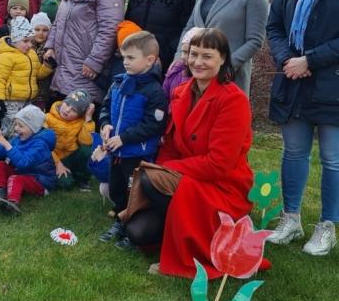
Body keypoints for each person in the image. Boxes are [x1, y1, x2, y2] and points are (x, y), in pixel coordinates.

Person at [122, 29, 259, 279]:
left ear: (222, 59)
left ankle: (193, 243)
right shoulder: (181, 92)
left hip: (221, 185)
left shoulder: (234, 100)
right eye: (193, 54)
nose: (197, 62)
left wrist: (166, 171)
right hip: (187, 175)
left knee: (150, 179)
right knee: (138, 233)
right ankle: (179, 230)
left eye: (207, 56)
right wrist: (163, 168)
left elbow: (219, 164)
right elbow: (169, 145)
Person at [266, 0, 339, 256]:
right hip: (294, 81)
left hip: (332, 84)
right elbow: (274, 26)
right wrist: (287, 60)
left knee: (333, 159)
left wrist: (310, 60)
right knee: (293, 152)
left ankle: (327, 226)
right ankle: (291, 219)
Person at [98, 31, 167, 251]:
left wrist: (124, 138)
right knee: (116, 188)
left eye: (131, 57)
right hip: (116, 153)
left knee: (134, 193)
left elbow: (153, 124)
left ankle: (131, 226)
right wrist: (105, 124)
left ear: (149, 60)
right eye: (123, 57)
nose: (125, 62)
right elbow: (105, 107)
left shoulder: (154, 91)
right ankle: (120, 220)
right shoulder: (118, 83)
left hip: (137, 154)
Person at [44, 0, 124, 105]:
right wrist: (50, 46)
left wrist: (95, 61)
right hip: (63, 66)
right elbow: (59, 21)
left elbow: (110, 29)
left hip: (86, 68)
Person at [0, 104, 56, 216]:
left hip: (40, 180)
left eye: (21, 126)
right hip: (23, 173)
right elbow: (3, 150)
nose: (16, 128)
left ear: (34, 128)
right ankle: (0, 192)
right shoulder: (19, 138)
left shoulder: (40, 144)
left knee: (16, 179)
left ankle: (12, 203)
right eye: (16, 124)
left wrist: (7, 145)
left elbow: (23, 162)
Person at [0, 16, 53, 135]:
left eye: (31, 41)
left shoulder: (32, 54)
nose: (29, 44)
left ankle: (19, 146)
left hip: (28, 100)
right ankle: (5, 146)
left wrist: (48, 66)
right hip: (11, 102)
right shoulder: (5, 57)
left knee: (24, 129)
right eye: (25, 41)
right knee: (11, 129)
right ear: (15, 40)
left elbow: (37, 74)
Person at [44, 89, 96, 192]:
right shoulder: (47, 118)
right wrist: (58, 164)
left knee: (86, 150)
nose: (67, 110)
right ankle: (65, 176)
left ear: (79, 114)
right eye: (67, 104)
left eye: (74, 110)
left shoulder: (80, 121)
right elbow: (43, 145)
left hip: (70, 156)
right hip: (52, 158)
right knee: (66, 184)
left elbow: (87, 142)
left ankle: (82, 179)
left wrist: (88, 118)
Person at [163, 27, 203, 101]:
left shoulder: (203, 78)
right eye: (184, 52)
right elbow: (164, 96)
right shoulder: (174, 71)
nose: (185, 56)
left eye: (191, 53)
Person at [31, 12, 53, 110]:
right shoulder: (27, 47)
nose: (40, 33)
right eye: (37, 29)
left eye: (45, 30)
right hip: (28, 92)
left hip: (44, 93)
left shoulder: (50, 49)